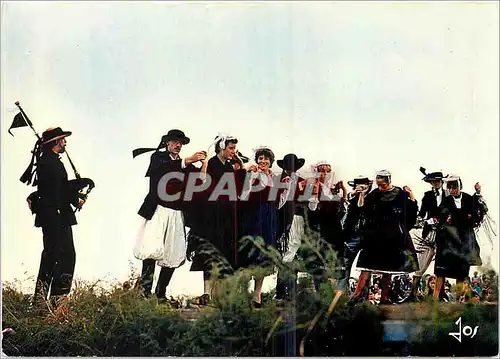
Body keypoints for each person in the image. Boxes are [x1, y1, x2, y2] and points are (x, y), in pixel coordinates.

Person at [133, 129, 207, 304]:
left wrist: (203, 163)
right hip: (158, 209)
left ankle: (160, 294)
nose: (178, 145)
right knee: (151, 250)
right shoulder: (158, 158)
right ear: (167, 142)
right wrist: (188, 160)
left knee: (172, 252)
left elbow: (200, 180)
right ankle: (144, 293)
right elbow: (164, 172)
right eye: (175, 141)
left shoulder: (185, 165)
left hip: (176, 212)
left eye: (180, 142)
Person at [187, 134, 246, 305]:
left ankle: (219, 295)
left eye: (234, 148)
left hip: (226, 216)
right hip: (211, 215)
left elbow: (239, 184)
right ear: (222, 147)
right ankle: (207, 293)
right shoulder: (212, 164)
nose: (233, 152)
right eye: (231, 148)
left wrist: (240, 163)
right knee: (209, 252)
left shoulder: (229, 167)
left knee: (224, 253)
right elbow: (201, 183)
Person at [29, 127, 85, 307]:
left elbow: (57, 189)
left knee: (53, 255)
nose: (65, 142)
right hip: (56, 216)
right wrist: (76, 196)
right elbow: (58, 191)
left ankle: (43, 301)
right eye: (63, 139)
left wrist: (75, 198)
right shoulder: (50, 163)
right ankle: (56, 301)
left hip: (54, 215)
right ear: (56, 142)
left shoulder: (48, 161)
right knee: (64, 256)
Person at [351, 170, 419, 304]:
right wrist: (361, 195)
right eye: (378, 185)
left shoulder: (399, 193)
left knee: (388, 269)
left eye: (383, 185)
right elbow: (363, 210)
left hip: (392, 237)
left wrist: (412, 197)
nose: (380, 188)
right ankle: (357, 296)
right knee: (366, 266)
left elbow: (409, 212)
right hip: (374, 236)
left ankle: (384, 297)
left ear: (389, 182)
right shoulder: (375, 194)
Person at [432, 175, 486, 301]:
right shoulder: (446, 201)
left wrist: (478, 193)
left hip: (464, 241)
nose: (452, 190)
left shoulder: (469, 198)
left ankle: (458, 300)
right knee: (441, 270)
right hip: (448, 241)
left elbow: (477, 215)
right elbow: (441, 217)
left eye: (454, 187)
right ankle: (434, 299)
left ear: (459, 186)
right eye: (450, 187)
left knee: (461, 271)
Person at [238, 146, 280, 307]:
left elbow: (278, 201)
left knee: (264, 256)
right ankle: (243, 293)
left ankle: (257, 295)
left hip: (269, 218)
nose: (263, 161)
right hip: (253, 217)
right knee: (251, 254)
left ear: (270, 162)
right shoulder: (252, 174)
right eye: (260, 158)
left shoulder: (274, 178)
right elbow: (243, 196)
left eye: (266, 159)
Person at [302, 160, 348, 292]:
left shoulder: (332, 190)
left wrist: (343, 191)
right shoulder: (314, 187)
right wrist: (315, 194)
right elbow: (312, 209)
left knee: (334, 263)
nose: (325, 174)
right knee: (320, 262)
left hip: (335, 230)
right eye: (322, 171)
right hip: (321, 229)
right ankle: (321, 294)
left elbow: (341, 211)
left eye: (328, 171)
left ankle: (333, 295)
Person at [274, 153, 307, 303]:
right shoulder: (279, 181)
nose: (290, 171)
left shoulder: (302, 182)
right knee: (285, 255)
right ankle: (281, 291)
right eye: (288, 168)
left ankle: (289, 291)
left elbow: (306, 203)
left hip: (298, 219)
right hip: (282, 220)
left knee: (292, 255)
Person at [409, 170, 446, 301]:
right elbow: (422, 213)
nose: (435, 183)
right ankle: (412, 294)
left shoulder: (448, 195)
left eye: (437, 181)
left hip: (445, 234)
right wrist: (423, 220)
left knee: (443, 265)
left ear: (442, 182)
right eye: (433, 181)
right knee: (422, 263)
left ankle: (440, 295)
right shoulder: (427, 195)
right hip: (430, 233)